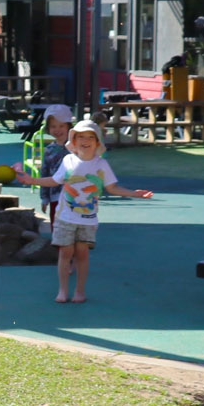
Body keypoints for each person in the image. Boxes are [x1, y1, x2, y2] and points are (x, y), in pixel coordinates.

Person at [15, 118, 153, 303]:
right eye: (80, 136)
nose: (85, 140)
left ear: (97, 142)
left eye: (90, 137)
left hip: (87, 218)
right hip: (65, 216)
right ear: (74, 141)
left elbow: (112, 188)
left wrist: (135, 194)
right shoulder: (68, 160)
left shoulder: (101, 165)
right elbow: (56, 180)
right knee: (65, 253)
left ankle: (80, 291)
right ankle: (63, 290)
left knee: (82, 254)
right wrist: (33, 180)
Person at [34, 104, 74, 220]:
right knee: (56, 227)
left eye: (61, 126)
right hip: (55, 197)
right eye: (53, 126)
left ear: (68, 126)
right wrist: (44, 197)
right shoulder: (49, 150)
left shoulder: (77, 148)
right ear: (48, 128)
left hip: (74, 196)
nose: (57, 130)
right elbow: (45, 173)